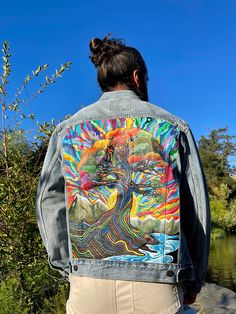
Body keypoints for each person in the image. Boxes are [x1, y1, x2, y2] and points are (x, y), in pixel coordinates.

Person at [36, 33, 211, 314]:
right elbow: (196, 211)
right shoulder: (173, 126)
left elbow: (49, 202)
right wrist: (194, 279)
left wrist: (67, 266)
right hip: (159, 282)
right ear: (137, 77)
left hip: (87, 280)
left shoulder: (67, 130)